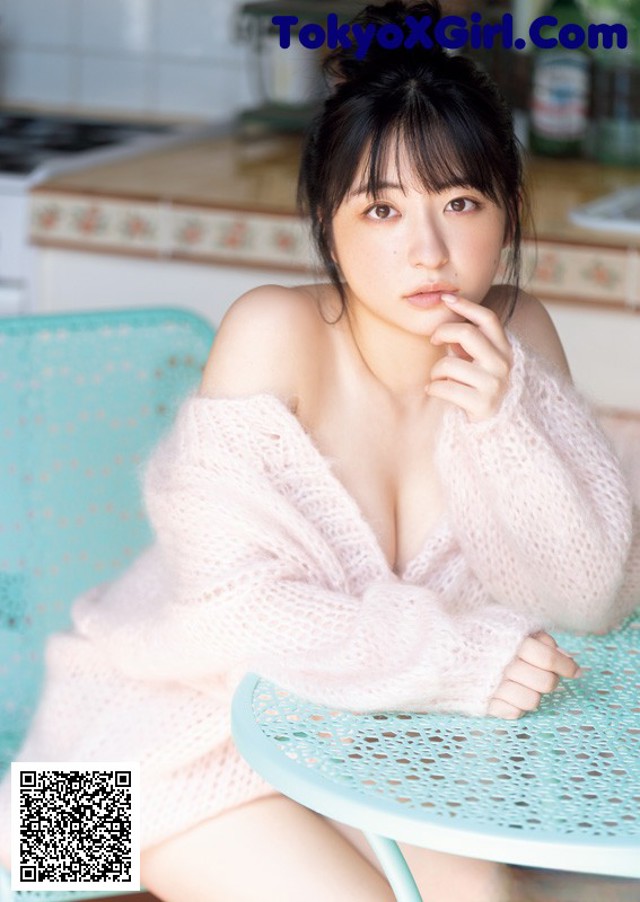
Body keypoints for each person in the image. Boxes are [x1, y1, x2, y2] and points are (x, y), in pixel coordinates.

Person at [0, 2, 638, 900]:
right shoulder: (274, 332)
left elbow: (590, 601)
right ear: (328, 223)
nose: (428, 250)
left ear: (509, 210)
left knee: (486, 898)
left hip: (367, 731)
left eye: (460, 202)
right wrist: (458, 659)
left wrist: (508, 422)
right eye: (382, 209)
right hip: (157, 736)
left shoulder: (517, 331)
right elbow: (234, 613)